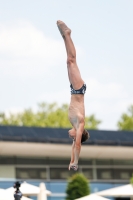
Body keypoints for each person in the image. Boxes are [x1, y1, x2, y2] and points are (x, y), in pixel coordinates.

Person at [57, 20, 90, 171]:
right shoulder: (80, 124)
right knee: (71, 61)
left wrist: (70, 162)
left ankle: (65, 37)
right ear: (79, 134)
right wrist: (76, 162)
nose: (70, 137)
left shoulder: (75, 126)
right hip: (78, 89)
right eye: (73, 137)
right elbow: (77, 145)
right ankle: (68, 34)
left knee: (68, 62)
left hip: (74, 89)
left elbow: (73, 147)